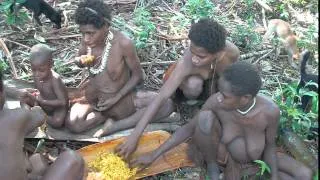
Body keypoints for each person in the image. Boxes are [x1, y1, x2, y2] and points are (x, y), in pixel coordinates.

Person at [131, 62, 313, 180]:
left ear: (245, 98)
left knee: (305, 174)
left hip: (260, 158)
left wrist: (273, 175)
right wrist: (153, 155)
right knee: (204, 117)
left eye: (225, 96)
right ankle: (214, 167)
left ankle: (260, 173)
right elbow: (188, 129)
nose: (218, 98)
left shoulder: (270, 111)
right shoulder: (216, 103)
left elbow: (271, 146)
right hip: (231, 160)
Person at [116, 18, 240, 159]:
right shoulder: (187, 61)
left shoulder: (231, 54)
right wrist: (135, 135)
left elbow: (228, 87)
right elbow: (161, 97)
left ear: (219, 54)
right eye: (192, 52)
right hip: (190, 87)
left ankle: (204, 108)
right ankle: (192, 105)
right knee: (193, 85)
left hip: (213, 85)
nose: (194, 59)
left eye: (201, 56)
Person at [66, 0, 174, 135]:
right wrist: (79, 62)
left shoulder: (123, 43)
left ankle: (117, 125)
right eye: (83, 33)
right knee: (73, 125)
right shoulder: (87, 43)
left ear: (106, 26)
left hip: (121, 100)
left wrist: (116, 98)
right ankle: (105, 117)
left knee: (166, 105)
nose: (86, 38)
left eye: (91, 33)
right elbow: (81, 59)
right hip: (94, 100)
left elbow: (138, 76)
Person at [0, 71, 84, 180]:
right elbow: (39, 115)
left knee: (39, 161)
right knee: (73, 159)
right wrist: (28, 104)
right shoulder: (14, 118)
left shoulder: (15, 118)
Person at [20, 44, 69, 129]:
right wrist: (35, 99)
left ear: (51, 65)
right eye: (33, 69)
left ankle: (40, 116)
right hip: (42, 102)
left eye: (41, 70)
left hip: (57, 107)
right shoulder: (36, 75)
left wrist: (43, 102)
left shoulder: (55, 79)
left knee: (57, 122)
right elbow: (38, 91)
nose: (37, 74)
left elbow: (63, 102)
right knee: (24, 99)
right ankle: (31, 115)